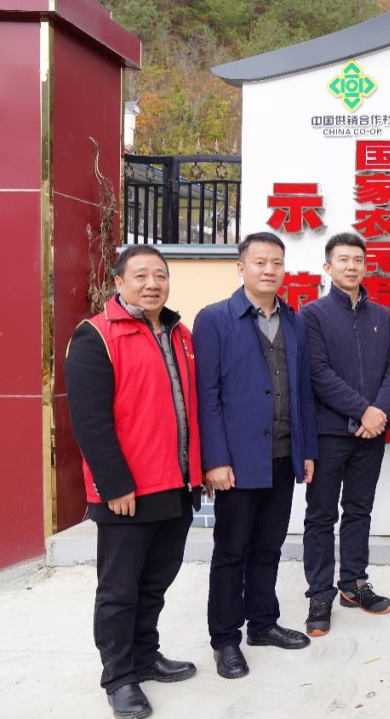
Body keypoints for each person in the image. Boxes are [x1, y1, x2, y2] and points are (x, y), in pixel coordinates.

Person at [66, 245, 201, 719]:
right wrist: (114, 484)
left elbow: (187, 409)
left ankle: (145, 655)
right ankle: (119, 677)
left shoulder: (179, 334)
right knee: (119, 589)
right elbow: (89, 421)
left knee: (156, 581)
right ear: (118, 282)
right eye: (140, 275)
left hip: (176, 484)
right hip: (128, 491)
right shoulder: (96, 335)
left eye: (159, 275)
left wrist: (197, 473)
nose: (152, 284)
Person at [194, 232, 318, 679]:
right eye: (260, 262)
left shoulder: (294, 321)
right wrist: (214, 459)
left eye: (276, 263)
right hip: (237, 462)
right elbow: (207, 396)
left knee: (268, 546)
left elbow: (302, 391)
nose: (269, 270)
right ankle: (225, 639)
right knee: (232, 551)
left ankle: (263, 624)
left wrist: (306, 451)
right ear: (241, 267)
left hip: (283, 456)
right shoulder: (215, 319)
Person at [301, 232, 390, 635]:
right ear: (328, 267)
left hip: (370, 436)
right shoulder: (312, 315)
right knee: (321, 515)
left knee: (359, 510)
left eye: (358, 259)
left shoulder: (380, 315)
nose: (351, 266)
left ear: (366, 266)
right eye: (343, 259)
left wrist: (378, 412)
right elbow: (317, 372)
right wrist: (363, 409)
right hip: (328, 433)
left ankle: (354, 583)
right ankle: (319, 593)